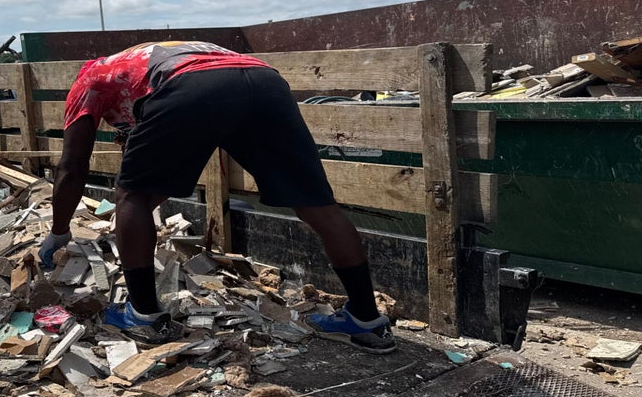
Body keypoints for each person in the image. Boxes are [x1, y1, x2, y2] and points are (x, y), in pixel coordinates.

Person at [38, 41, 396, 352]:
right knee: (317, 204)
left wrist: (59, 229)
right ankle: (366, 320)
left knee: (130, 195)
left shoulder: (88, 82)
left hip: (190, 85)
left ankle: (143, 315)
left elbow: (72, 167)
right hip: (265, 81)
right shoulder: (142, 62)